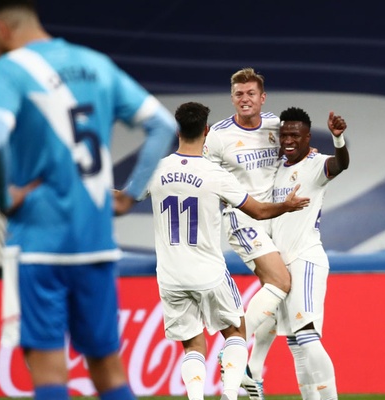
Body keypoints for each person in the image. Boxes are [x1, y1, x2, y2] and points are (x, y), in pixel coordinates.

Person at [0, 1, 177, 399]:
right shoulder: (96, 63)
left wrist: (2, 196)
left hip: (38, 243)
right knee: (108, 368)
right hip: (95, 244)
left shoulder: (6, 69)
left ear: (0, 28)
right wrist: (130, 194)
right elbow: (162, 125)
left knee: (48, 368)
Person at [144, 102, 309, 400]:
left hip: (170, 277)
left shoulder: (155, 169)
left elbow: (121, 198)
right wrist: (287, 205)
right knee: (235, 332)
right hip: (208, 272)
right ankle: (230, 395)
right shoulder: (214, 173)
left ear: (177, 131)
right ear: (206, 131)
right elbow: (258, 211)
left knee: (192, 345)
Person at [203, 67, 290, 397]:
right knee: (280, 282)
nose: (245, 99)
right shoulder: (218, 135)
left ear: (262, 97)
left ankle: (252, 370)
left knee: (277, 298)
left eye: (251, 93)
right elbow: (204, 178)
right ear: (232, 98)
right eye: (239, 94)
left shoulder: (275, 126)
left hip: (276, 219)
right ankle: (232, 351)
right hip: (241, 218)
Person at [269, 107, 349, 400]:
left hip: (305, 258)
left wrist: (338, 139)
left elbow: (340, 164)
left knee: (306, 336)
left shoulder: (316, 164)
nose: (288, 140)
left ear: (307, 138)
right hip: (281, 267)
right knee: (295, 343)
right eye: (284, 135)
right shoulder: (277, 168)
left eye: (295, 135)